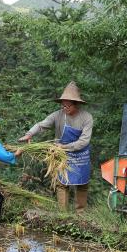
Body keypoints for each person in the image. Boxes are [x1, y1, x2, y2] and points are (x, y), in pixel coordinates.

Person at [19, 81, 93, 211]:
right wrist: (29, 134)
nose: (64, 108)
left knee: (82, 184)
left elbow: (84, 141)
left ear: (76, 104)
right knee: (61, 183)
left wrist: (63, 147)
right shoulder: (58, 115)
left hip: (80, 155)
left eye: (67, 106)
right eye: (63, 105)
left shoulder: (86, 117)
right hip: (61, 155)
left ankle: (81, 214)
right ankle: (63, 214)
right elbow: (41, 125)